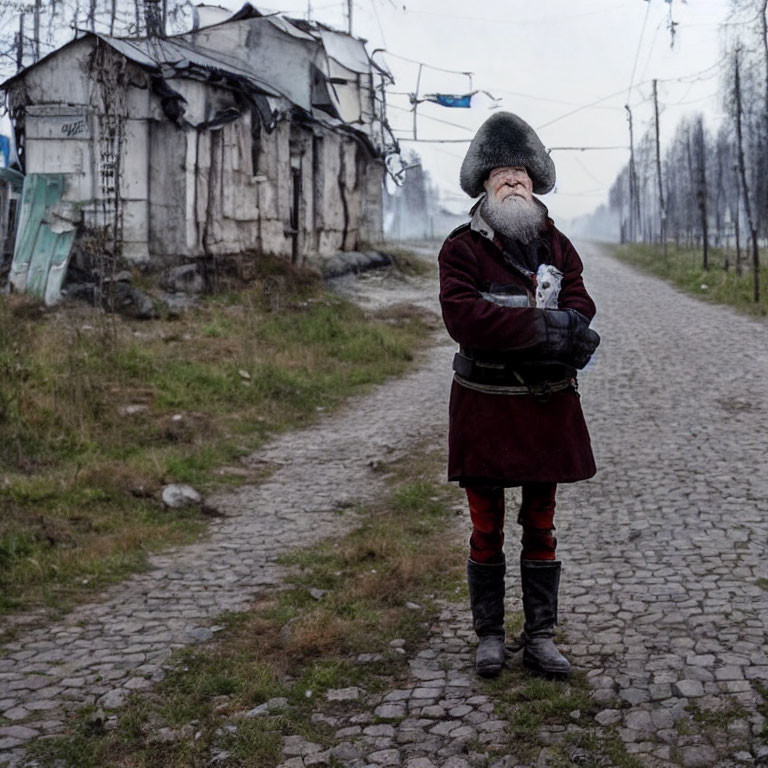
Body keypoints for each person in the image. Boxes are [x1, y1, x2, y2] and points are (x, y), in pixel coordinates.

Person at [437, 112, 600, 679]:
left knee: (542, 522)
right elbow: (466, 318)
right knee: (486, 525)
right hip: (483, 404)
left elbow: (580, 308)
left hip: (544, 404)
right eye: (502, 174)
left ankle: (540, 636)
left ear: (535, 182)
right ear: (484, 184)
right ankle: (488, 636)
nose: (512, 182)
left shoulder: (559, 245)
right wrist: (544, 330)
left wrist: (555, 327)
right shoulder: (460, 250)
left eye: (521, 175)